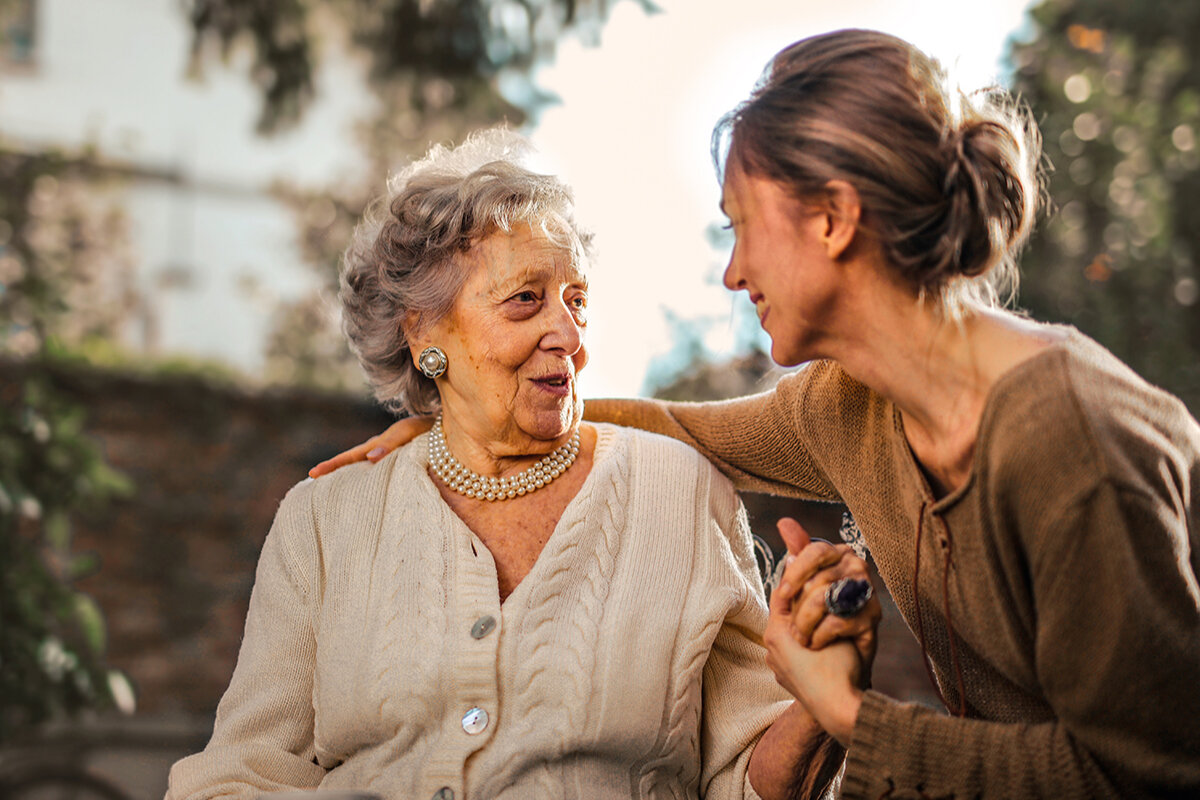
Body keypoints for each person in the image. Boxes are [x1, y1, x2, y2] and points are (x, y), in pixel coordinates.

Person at [312, 30, 1200, 799]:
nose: (733, 273)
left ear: (833, 220)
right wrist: (464, 419)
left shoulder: (1069, 442)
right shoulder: (849, 406)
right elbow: (678, 428)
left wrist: (845, 711)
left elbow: (1145, 775)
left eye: (741, 226)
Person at [167, 129, 853, 800]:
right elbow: (239, 776)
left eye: (576, 301)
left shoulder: (681, 494)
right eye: (526, 299)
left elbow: (749, 781)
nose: (571, 335)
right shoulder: (324, 520)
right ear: (424, 330)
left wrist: (821, 705)